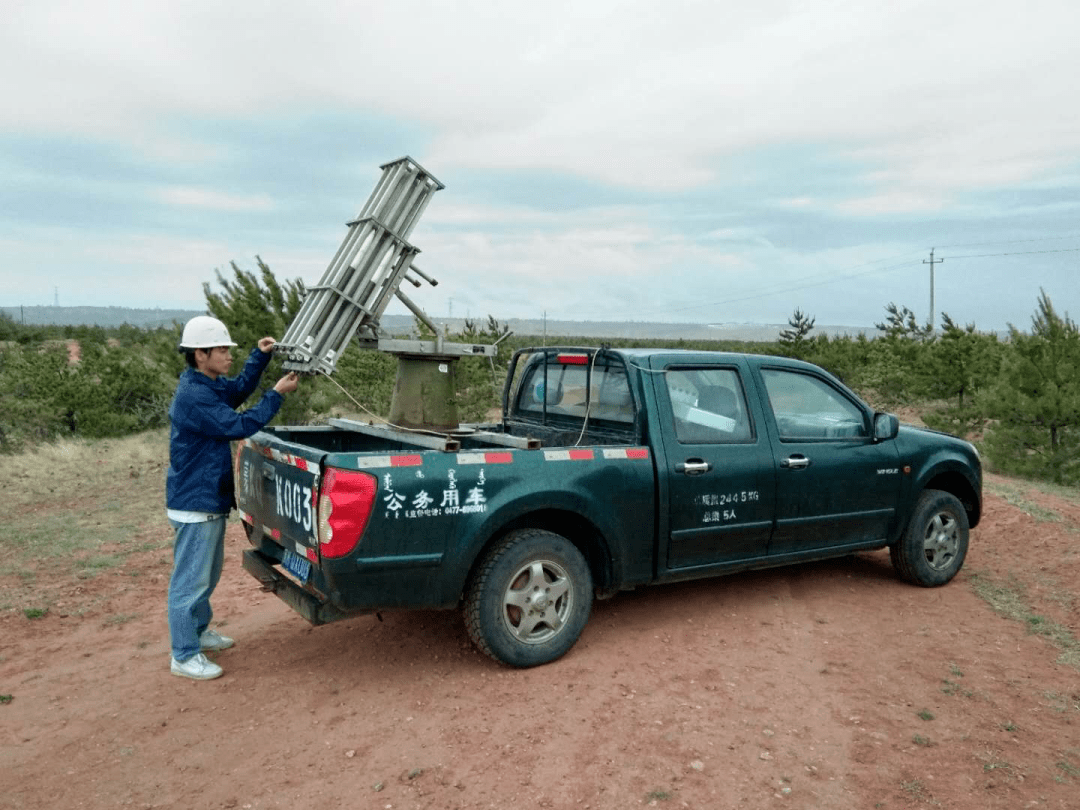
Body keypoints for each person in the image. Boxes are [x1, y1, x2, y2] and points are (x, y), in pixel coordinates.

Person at [166, 315, 299, 680]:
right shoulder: (195, 396)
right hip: (195, 500)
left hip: (205, 496)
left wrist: (259, 357)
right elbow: (238, 425)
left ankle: (197, 632)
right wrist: (275, 395)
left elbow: (237, 391)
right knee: (190, 581)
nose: (227, 355)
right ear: (200, 354)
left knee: (205, 576)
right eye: (221, 349)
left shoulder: (205, 384)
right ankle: (183, 654)